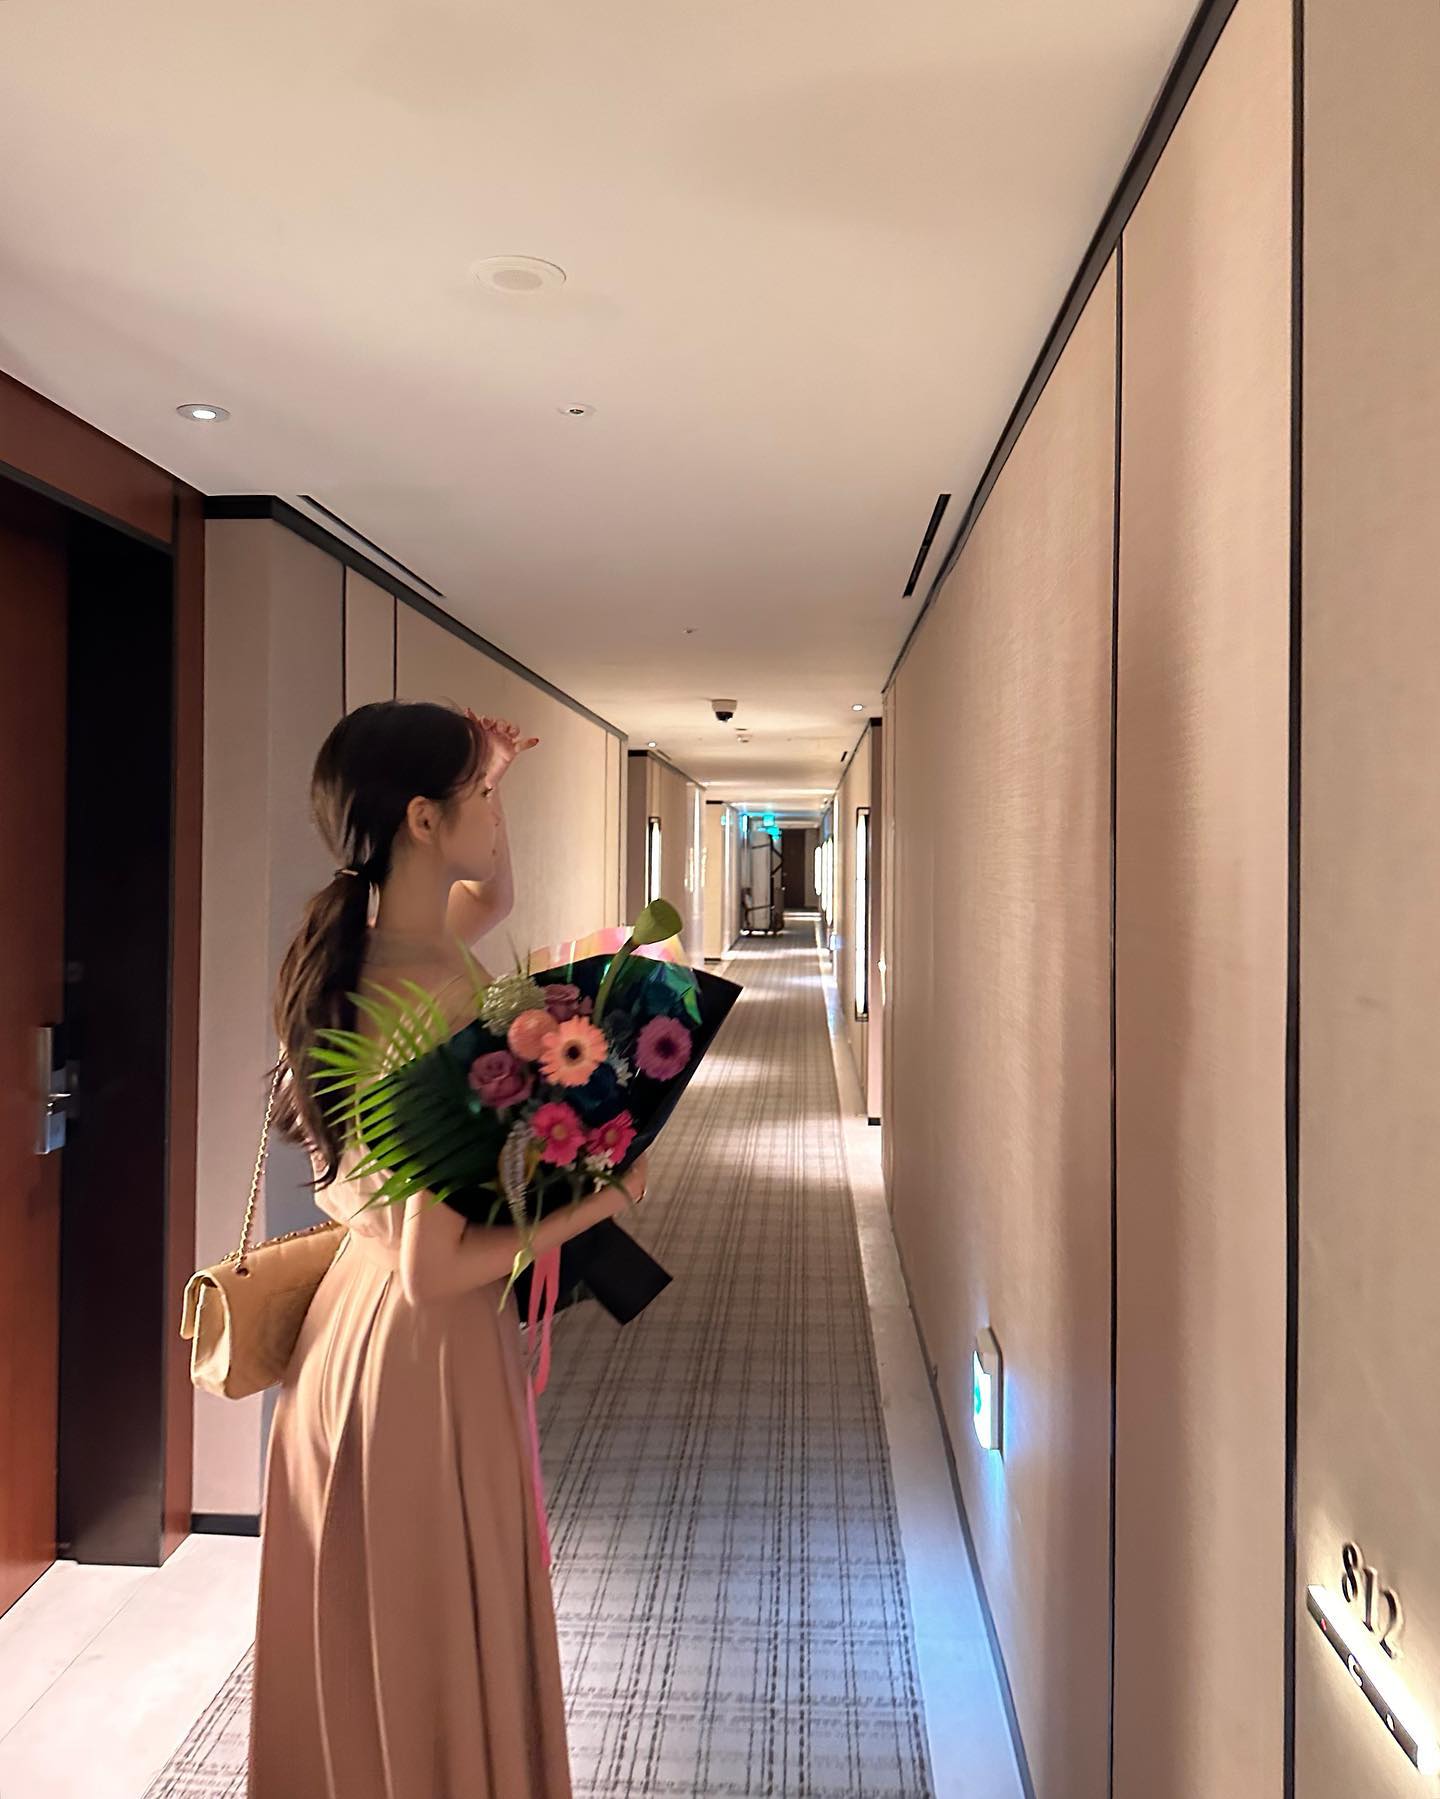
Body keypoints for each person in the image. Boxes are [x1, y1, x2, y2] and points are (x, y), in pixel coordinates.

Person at [249, 699, 646, 1799]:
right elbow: (436, 1267)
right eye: (480, 797)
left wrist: (493, 768)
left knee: (382, 1631)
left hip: (356, 1326)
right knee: (432, 1631)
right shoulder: (423, 990)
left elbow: (495, 894)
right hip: (419, 1353)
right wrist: (596, 1202)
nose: (496, 815)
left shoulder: (386, 950)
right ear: (423, 819)